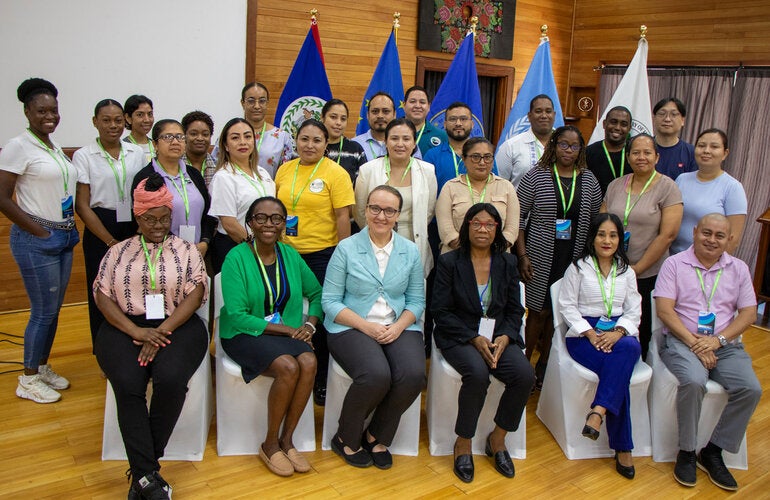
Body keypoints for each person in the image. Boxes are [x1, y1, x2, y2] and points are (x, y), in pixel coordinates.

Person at [94, 174, 208, 499]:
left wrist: (160, 332)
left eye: (164, 218)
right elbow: (102, 295)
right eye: (150, 219)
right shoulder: (118, 252)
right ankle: (147, 476)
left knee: (170, 380)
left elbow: (196, 293)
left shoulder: (187, 250)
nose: (158, 225)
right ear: (138, 217)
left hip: (178, 325)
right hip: (124, 326)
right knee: (128, 385)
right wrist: (136, 331)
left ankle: (143, 474)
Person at [655, 213, 761, 491]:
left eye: (719, 235)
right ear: (695, 232)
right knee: (693, 380)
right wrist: (695, 343)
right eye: (706, 233)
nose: (712, 240)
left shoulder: (739, 268)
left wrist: (717, 341)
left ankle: (713, 451)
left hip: (724, 345)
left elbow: (749, 313)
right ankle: (687, 451)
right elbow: (664, 310)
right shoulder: (674, 264)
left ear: (729, 239)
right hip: (682, 341)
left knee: (751, 389)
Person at [322, 185, 425, 469]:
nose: (381, 216)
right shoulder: (346, 248)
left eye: (389, 210)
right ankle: (345, 437)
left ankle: (376, 435)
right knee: (376, 375)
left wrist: (399, 327)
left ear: (398, 215)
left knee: (413, 375)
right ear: (365, 210)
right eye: (375, 208)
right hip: (351, 326)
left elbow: (416, 301)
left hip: (397, 325)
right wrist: (366, 327)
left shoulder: (409, 251)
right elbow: (329, 301)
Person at [219, 196, 321, 477]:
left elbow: (317, 293)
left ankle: (288, 440)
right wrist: (290, 330)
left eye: (276, 219)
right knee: (288, 366)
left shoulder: (290, 255)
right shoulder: (236, 258)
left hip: (284, 332)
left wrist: (310, 326)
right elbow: (237, 315)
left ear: (283, 224)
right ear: (250, 223)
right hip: (244, 333)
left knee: (309, 362)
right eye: (261, 218)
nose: (269, 224)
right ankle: (270, 444)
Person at [432, 203, 534, 483]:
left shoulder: (507, 263)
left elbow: (515, 309)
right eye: (476, 223)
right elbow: (440, 311)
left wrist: (506, 336)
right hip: (459, 335)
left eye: (489, 224)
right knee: (477, 374)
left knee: (525, 375)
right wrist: (473, 337)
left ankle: (498, 439)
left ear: (497, 229)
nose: (482, 229)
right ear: (466, 226)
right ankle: (463, 442)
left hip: (498, 335)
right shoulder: (449, 262)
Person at [0, 78, 79, 403]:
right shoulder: (18, 146)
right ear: (27, 112)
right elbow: (2, 197)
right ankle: (28, 379)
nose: (50, 116)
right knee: (42, 312)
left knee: (53, 310)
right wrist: (38, 231)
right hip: (38, 239)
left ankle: (42, 366)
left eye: (54, 110)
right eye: (42, 111)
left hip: (63, 234)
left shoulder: (52, 146)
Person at [515, 125, 602, 389]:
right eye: (563, 144)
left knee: (560, 315)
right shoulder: (536, 175)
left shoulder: (589, 179)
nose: (568, 150)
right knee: (537, 313)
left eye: (574, 146)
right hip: (539, 256)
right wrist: (522, 255)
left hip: (574, 258)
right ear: (553, 145)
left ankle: (545, 367)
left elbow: (596, 220)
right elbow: (518, 218)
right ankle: (524, 366)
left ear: (580, 150)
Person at [275, 119, 355, 406]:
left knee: (319, 316)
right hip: (285, 253)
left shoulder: (336, 173)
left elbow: (343, 217)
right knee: (286, 310)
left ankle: (320, 377)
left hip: (322, 255)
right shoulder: (285, 169)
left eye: (317, 140)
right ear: (296, 141)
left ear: (326, 144)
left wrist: (343, 256)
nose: (309, 145)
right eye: (304, 139)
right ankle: (289, 365)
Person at [557, 213, 643, 480]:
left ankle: (598, 411)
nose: (607, 240)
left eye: (613, 235)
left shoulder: (627, 271)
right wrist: (590, 333)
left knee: (629, 349)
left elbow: (634, 310)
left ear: (620, 239)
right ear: (592, 238)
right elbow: (567, 306)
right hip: (584, 334)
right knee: (619, 372)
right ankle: (623, 447)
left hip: (618, 332)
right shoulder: (578, 268)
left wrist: (618, 332)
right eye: (602, 234)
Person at [602, 133, 683, 359]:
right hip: (612, 270)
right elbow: (602, 225)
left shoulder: (668, 188)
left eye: (647, 152)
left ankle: (639, 367)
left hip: (647, 273)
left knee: (642, 327)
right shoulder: (616, 185)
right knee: (610, 319)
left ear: (657, 157)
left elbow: (668, 235)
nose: (641, 157)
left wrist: (636, 269)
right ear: (628, 157)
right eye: (636, 152)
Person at [74, 99, 145, 347]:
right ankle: (104, 347)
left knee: (134, 284)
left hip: (134, 224)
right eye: (106, 120)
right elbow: (82, 205)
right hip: (100, 226)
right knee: (101, 289)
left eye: (117, 120)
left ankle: (133, 341)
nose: (113, 126)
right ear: (95, 122)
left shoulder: (136, 152)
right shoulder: (84, 156)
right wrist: (110, 241)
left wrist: (140, 228)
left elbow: (144, 192)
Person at [354, 118, 437, 277]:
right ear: (385, 142)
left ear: (414, 143)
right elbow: (360, 212)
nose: (400, 144)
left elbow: (428, 211)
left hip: (413, 241)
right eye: (394, 138)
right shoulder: (368, 170)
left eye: (406, 139)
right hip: (376, 241)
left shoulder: (427, 171)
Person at [132, 119, 216, 259]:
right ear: (155, 144)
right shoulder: (146, 177)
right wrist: (179, 248)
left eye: (180, 137)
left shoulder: (193, 174)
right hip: (162, 253)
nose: (175, 142)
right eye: (168, 137)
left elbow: (208, 212)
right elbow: (147, 221)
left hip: (198, 251)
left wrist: (205, 242)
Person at [208, 118, 275, 274]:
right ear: (226, 145)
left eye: (247, 136)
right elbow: (229, 224)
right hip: (236, 246)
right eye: (235, 138)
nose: (243, 142)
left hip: (265, 246)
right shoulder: (223, 177)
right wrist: (256, 248)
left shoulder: (263, 173)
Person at [671, 128, 747, 255]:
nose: (706, 151)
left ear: (725, 153)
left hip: (708, 261)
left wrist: (712, 264)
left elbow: (733, 240)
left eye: (714, 147)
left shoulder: (733, 187)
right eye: (701, 146)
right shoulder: (682, 179)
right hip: (674, 258)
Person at [437, 137, 519, 253]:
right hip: (457, 255)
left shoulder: (506, 187)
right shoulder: (450, 187)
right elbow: (446, 230)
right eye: (475, 157)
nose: (482, 162)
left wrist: (489, 251)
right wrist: (473, 252)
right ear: (464, 159)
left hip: (497, 255)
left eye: (487, 157)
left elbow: (512, 229)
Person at [424, 101, 497, 192]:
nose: (458, 123)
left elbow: (495, 186)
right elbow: (425, 190)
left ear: (472, 124)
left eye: (463, 119)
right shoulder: (432, 155)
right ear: (445, 125)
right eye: (453, 119)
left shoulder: (485, 156)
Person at [231, 82, 296, 177]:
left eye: (262, 101)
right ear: (243, 103)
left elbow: (286, 174)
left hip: (270, 186)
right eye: (251, 101)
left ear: (267, 103)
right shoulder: (231, 134)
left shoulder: (282, 137)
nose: (257, 106)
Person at [495, 94, 556, 188]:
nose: (544, 116)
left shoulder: (565, 145)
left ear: (554, 115)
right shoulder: (511, 146)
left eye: (548, 111)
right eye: (538, 111)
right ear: (529, 116)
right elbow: (498, 185)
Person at [585, 106, 632, 194]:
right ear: (604, 124)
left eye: (624, 124)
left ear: (629, 128)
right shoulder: (588, 152)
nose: (617, 127)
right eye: (613, 122)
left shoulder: (634, 154)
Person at [322, 98, 367, 185]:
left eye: (343, 119)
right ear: (322, 118)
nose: (338, 123)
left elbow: (362, 184)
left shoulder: (355, 149)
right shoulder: (311, 147)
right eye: (333, 117)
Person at [652, 97, 697, 180]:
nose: (667, 119)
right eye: (662, 114)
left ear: (683, 120)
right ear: (654, 118)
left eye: (674, 114)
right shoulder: (643, 148)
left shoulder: (692, 153)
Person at [403, 85, 448, 156]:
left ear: (429, 107)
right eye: (412, 101)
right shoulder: (392, 131)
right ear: (404, 105)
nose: (417, 106)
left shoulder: (442, 136)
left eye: (422, 102)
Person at [352, 92, 396, 162]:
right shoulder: (354, 144)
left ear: (394, 115)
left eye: (386, 111)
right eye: (375, 111)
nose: (380, 116)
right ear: (367, 115)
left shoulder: (404, 145)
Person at [181, 110, 216, 187]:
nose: (200, 138)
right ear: (184, 135)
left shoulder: (219, 167)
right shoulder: (175, 165)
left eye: (205, 134)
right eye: (193, 134)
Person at [123, 95, 155, 164]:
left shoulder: (157, 146)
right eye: (140, 115)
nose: (147, 120)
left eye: (150, 114)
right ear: (128, 118)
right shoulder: (123, 147)